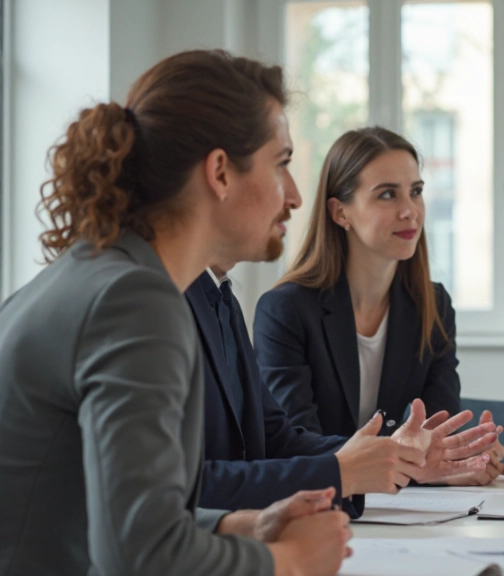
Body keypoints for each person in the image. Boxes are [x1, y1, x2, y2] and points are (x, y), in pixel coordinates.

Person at [0, 50, 353, 575]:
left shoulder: (98, 272)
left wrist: (243, 526)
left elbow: (123, 520)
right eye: (280, 164)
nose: (296, 195)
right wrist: (288, 561)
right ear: (219, 172)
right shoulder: (135, 302)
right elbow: (138, 558)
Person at [254, 127, 504, 484]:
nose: (410, 211)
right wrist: (408, 462)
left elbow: (438, 432)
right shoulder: (285, 310)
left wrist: (465, 455)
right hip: (320, 506)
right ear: (340, 212)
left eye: (416, 192)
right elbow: (294, 444)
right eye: (387, 195)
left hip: (404, 517)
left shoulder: (434, 305)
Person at [188, 264, 498, 512]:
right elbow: (174, 486)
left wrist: (394, 455)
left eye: (416, 192)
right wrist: (341, 473)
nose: (293, 199)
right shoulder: (164, 304)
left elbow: (274, 439)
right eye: (387, 195)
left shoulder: (222, 297)